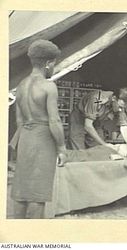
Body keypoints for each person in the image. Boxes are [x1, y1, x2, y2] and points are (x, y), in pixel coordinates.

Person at [10, 39, 66, 219]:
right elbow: (55, 120)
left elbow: (19, 121)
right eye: (54, 64)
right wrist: (62, 148)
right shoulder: (49, 86)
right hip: (43, 139)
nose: (54, 69)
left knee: (22, 191)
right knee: (37, 194)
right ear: (48, 64)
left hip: (25, 138)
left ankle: (17, 237)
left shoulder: (21, 86)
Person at [68, 89, 127, 158]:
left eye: (123, 108)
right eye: (119, 107)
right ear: (114, 98)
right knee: (78, 151)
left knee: (98, 149)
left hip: (97, 121)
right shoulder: (97, 99)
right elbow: (88, 126)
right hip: (79, 119)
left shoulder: (121, 105)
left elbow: (124, 127)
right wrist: (105, 144)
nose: (120, 110)